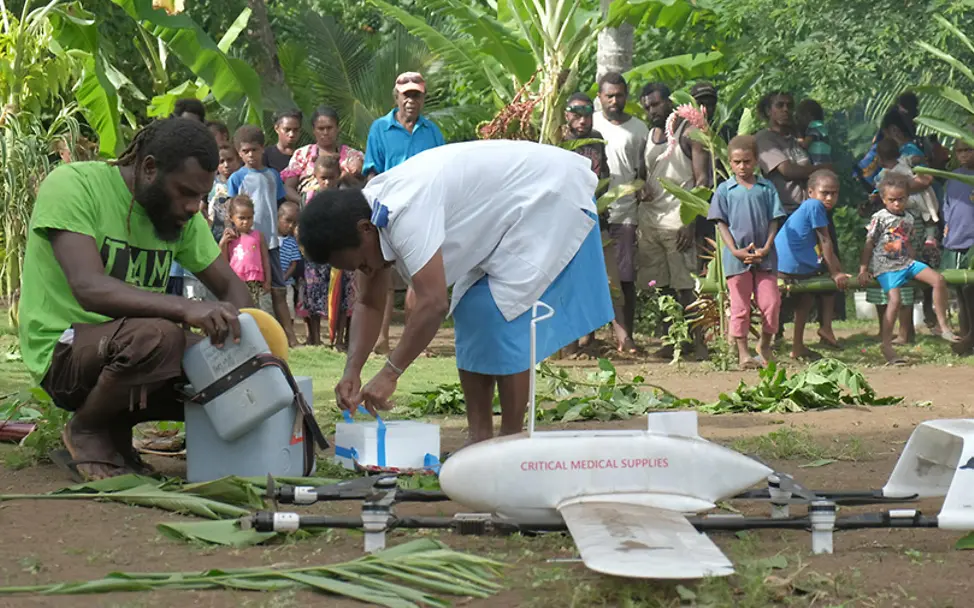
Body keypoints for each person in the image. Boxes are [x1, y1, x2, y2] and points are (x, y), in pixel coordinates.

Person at [298, 140, 613, 445]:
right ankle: (479, 438)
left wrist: (390, 374)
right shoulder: (365, 213)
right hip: (506, 215)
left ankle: (512, 440)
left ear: (365, 229)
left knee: (500, 310)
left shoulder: (403, 212)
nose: (366, 270)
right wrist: (352, 369)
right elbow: (367, 301)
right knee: (470, 308)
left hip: (547, 196)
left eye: (362, 263)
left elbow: (433, 303)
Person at [18, 117, 252, 480]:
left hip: (134, 349)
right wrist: (188, 308)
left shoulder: (182, 220)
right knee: (159, 336)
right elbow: (89, 287)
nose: (195, 206)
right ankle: (87, 429)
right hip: (65, 351)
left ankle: (115, 431)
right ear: (148, 168)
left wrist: (249, 345)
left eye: (201, 196)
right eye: (186, 192)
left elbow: (233, 288)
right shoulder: (75, 185)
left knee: (227, 372)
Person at [364, 72, 447, 356]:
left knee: (419, 276)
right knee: (383, 273)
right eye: (406, 95)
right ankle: (381, 338)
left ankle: (414, 341)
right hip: (388, 210)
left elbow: (442, 171)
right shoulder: (380, 128)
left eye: (417, 95)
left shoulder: (431, 131)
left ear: (423, 98)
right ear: (396, 97)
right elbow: (372, 170)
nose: (411, 101)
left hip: (423, 211)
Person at [638, 82, 710, 360]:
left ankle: (700, 342)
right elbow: (647, 173)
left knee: (686, 287)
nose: (651, 110)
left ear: (669, 102)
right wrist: (642, 188)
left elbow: (702, 180)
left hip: (678, 219)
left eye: (656, 104)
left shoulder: (689, 133)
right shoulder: (650, 134)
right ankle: (673, 340)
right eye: (647, 107)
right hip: (650, 221)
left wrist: (689, 221)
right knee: (660, 286)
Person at [858, 173, 959, 366]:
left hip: (906, 262)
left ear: (907, 198)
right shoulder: (879, 217)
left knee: (938, 280)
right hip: (885, 265)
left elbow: (907, 241)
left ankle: (943, 326)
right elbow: (869, 244)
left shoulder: (910, 217)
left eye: (901, 199)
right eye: (892, 200)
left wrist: (914, 259)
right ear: (883, 199)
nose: (897, 204)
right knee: (894, 301)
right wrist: (864, 268)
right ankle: (886, 344)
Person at [708, 135, 786, 369]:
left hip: (765, 257)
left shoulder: (766, 188)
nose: (742, 167)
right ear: (730, 163)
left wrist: (766, 247)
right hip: (736, 259)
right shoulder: (725, 190)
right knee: (740, 307)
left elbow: (775, 220)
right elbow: (721, 223)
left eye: (747, 161)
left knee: (771, 303)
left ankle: (764, 344)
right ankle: (743, 353)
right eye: (737, 162)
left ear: (756, 161)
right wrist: (734, 250)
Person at [561, 92, 624, 356]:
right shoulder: (560, 139)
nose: (582, 120)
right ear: (567, 115)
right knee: (571, 281)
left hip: (597, 216)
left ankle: (620, 338)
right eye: (576, 114)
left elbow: (604, 174)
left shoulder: (597, 139)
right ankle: (570, 343)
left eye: (587, 114)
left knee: (607, 278)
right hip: (567, 221)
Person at [227, 125, 298, 347]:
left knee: (278, 289)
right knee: (246, 290)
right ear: (239, 152)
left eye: (254, 150)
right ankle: (249, 337)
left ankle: (290, 336)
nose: (250, 155)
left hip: (271, 241)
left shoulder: (272, 175)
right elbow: (231, 208)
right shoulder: (237, 178)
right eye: (245, 151)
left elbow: (276, 204)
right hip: (247, 245)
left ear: (262, 150)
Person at [593, 71, 648, 353]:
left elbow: (643, 169)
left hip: (626, 212)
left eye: (619, 95)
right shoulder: (588, 123)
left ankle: (627, 335)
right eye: (609, 95)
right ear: (600, 96)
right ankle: (590, 337)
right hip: (594, 211)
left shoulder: (639, 129)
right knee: (594, 276)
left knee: (625, 278)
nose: (615, 100)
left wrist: (641, 188)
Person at [775, 169, 850, 360]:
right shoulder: (814, 206)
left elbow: (823, 247)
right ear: (811, 192)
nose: (829, 198)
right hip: (793, 266)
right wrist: (836, 273)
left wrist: (838, 269)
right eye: (825, 192)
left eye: (834, 193)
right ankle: (804, 339)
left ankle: (798, 346)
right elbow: (825, 241)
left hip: (788, 265)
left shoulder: (809, 208)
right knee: (809, 295)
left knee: (805, 300)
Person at [282, 105, 364, 202]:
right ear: (314, 130)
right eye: (321, 128)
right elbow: (288, 188)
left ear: (338, 128)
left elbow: (366, 188)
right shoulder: (303, 154)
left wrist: (346, 177)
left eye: (329, 128)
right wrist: (305, 204)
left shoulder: (353, 156)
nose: (325, 132)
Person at [942, 137, 974, 355]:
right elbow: (948, 208)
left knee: (970, 290)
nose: (964, 155)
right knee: (961, 292)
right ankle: (966, 333)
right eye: (960, 150)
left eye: (968, 150)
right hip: (955, 240)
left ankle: (969, 337)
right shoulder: (952, 179)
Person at [220, 195, 272, 305]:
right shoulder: (230, 237)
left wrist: (268, 280)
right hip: (235, 280)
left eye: (249, 218)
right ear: (231, 217)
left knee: (252, 307)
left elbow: (265, 259)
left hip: (254, 280)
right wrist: (223, 243)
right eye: (241, 218)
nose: (246, 222)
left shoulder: (258, 236)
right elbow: (224, 261)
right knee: (237, 308)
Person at [207, 145, 241, 242]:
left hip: (235, 232)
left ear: (238, 160)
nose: (226, 165)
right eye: (221, 161)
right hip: (214, 232)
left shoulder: (242, 182)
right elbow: (203, 205)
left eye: (230, 160)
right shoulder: (210, 182)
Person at [264, 109, 303, 173]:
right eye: (287, 130)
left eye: (296, 130)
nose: (291, 134)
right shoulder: (265, 155)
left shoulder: (305, 155)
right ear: (276, 129)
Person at [796, 99, 831, 165]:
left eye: (800, 117)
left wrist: (798, 137)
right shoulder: (821, 126)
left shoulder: (814, 126)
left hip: (818, 162)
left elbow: (804, 145)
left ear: (808, 115)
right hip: (826, 161)